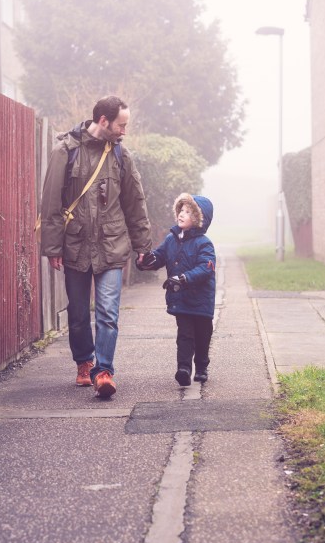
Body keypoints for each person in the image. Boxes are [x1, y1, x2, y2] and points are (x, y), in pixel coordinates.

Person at [39, 96, 151, 398]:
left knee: (108, 313)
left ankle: (104, 371)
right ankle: (84, 362)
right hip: (74, 245)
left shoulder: (121, 156)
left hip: (112, 246)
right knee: (77, 313)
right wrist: (53, 247)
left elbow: (134, 203)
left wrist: (143, 245)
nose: (124, 131)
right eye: (121, 125)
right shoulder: (65, 152)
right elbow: (50, 203)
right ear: (104, 120)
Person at [137, 193, 216, 386]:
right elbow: (160, 256)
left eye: (188, 212)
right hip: (181, 299)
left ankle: (202, 366)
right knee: (185, 333)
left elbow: (206, 267)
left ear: (198, 219)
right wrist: (148, 260)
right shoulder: (171, 239)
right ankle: (184, 368)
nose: (182, 214)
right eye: (181, 210)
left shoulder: (204, 243)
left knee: (203, 334)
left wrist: (184, 278)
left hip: (201, 300)